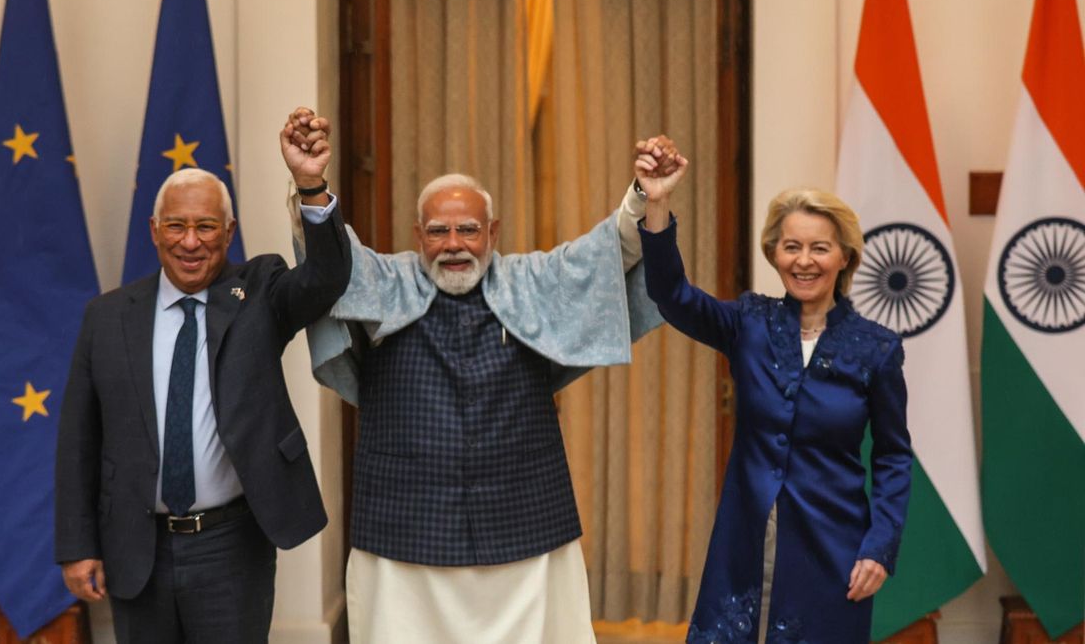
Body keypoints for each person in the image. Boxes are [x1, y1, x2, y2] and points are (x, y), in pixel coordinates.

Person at [295, 114, 684, 643]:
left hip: (525, 523)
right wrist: (311, 186)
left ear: (493, 233)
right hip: (405, 525)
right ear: (418, 235)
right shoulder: (382, 281)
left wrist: (645, 195)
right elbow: (329, 262)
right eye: (438, 230)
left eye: (468, 229)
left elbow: (610, 252)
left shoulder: (533, 280)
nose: (453, 243)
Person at [54, 108, 351, 643]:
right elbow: (79, 438)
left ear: (228, 231)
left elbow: (326, 279)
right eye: (176, 225)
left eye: (206, 226)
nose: (191, 241)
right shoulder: (107, 316)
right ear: (155, 230)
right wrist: (77, 546)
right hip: (136, 544)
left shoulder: (260, 291)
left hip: (231, 544)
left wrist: (311, 186)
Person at [639, 180, 911, 643]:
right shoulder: (749, 322)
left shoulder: (877, 349)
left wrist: (880, 546)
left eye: (819, 248)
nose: (804, 260)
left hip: (833, 548)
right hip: (743, 537)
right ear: (774, 254)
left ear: (844, 257)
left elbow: (893, 457)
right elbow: (671, 295)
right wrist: (657, 203)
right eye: (791, 247)